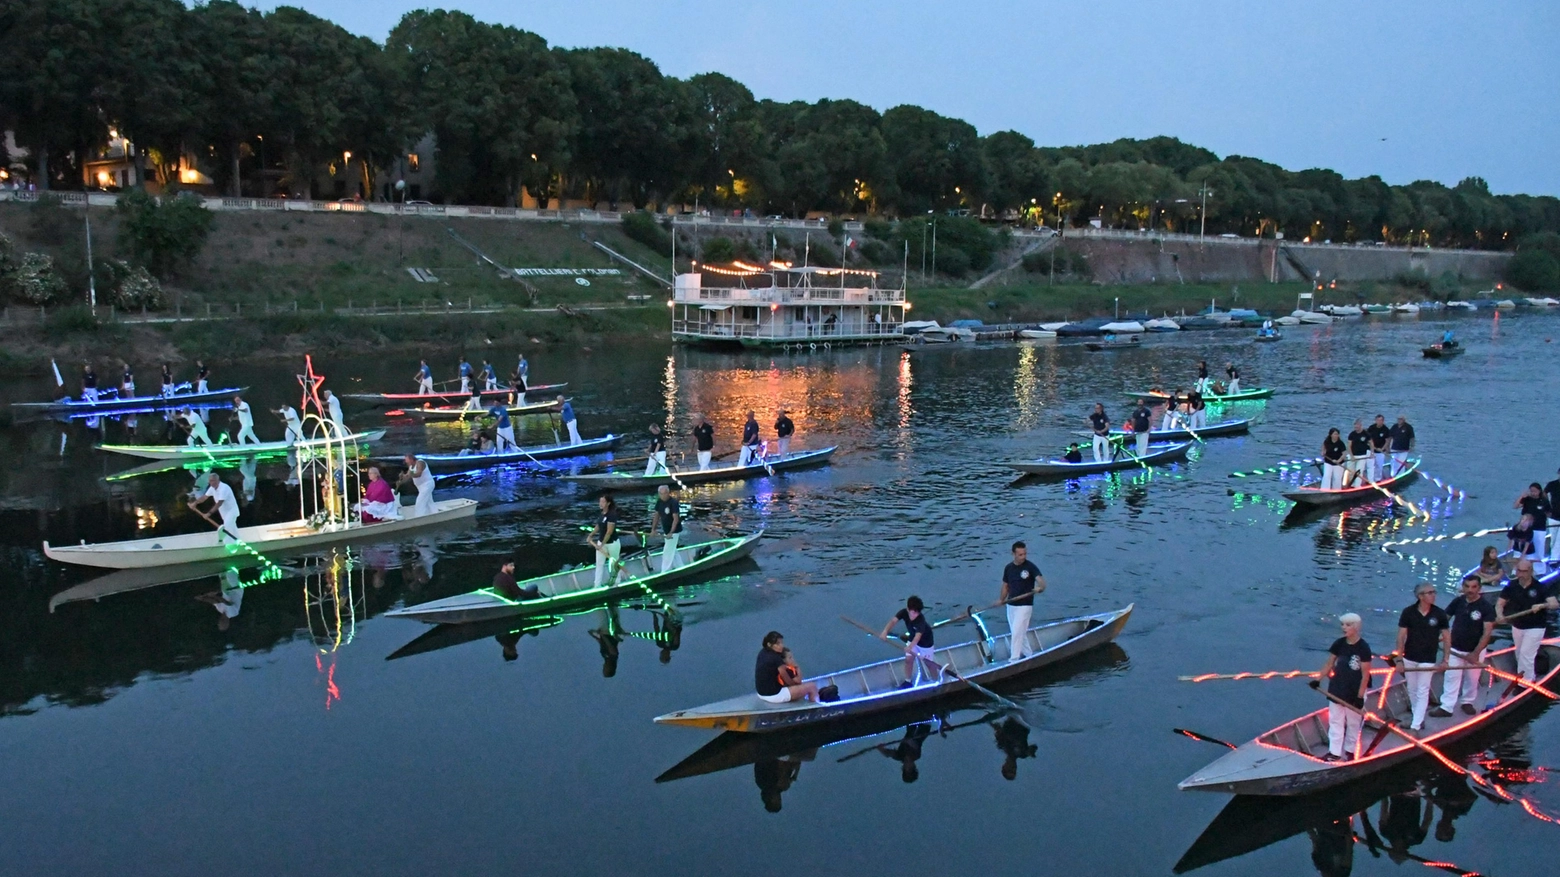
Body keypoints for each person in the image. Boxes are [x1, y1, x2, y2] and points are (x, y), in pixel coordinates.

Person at [1313, 612, 1372, 761]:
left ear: (1356, 627)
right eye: (1343, 625)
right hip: (1338, 687)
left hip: (1355, 690)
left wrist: (1359, 697)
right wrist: (1318, 680)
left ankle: (1350, 750)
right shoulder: (1339, 643)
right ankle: (1334, 752)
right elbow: (1329, 663)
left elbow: (1365, 675)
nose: (1344, 628)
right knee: (1335, 721)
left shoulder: (1363, 647)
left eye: (1348, 625)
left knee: (1353, 723)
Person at [1393, 582, 1450, 731]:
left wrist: (1445, 659)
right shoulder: (1408, 612)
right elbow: (1401, 637)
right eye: (1430, 593)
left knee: (1423, 690)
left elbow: (1446, 637)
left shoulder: (1439, 614)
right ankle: (1418, 717)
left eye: (1434, 592)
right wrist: (1399, 659)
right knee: (1412, 689)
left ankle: (1416, 726)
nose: (1434, 595)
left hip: (1428, 659)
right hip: (1409, 657)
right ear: (1420, 596)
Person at [1436, 574, 1495, 717]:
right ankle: (1446, 707)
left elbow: (1487, 633)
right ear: (1463, 587)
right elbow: (1444, 620)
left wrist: (1475, 653)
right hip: (1455, 648)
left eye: (1474, 587)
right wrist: (1438, 636)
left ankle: (1467, 702)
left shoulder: (1486, 607)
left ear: (1479, 588)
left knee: (1472, 679)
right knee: (1451, 677)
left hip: (1475, 651)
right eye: (1467, 587)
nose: (1470, 590)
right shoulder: (1458, 602)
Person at [1497, 559, 1559, 682]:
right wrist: (1500, 615)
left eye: (1524, 571)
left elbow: (1554, 604)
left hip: (1536, 626)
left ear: (1530, 571)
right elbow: (1500, 603)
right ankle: (1525, 677)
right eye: (1519, 571)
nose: (1521, 574)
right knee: (1519, 654)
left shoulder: (1540, 587)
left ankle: (1526, 682)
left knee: (1526, 655)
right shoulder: (1512, 585)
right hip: (1517, 625)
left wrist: (1542, 606)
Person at [999, 541, 1046, 663]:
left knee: (1016, 632)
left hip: (1025, 606)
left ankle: (1014, 659)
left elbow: (1041, 582)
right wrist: (1001, 600)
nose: (1023, 557)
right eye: (1020, 554)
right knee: (1020, 632)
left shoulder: (1030, 567)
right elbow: (1005, 585)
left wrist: (1040, 588)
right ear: (1013, 554)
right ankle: (1029, 655)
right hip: (1011, 605)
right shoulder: (1008, 568)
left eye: (1024, 554)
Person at [882, 595, 939, 687]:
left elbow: (918, 637)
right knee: (908, 660)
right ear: (908, 609)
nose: (915, 615)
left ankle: (936, 681)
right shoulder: (903, 612)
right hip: (912, 639)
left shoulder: (920, 621)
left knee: (929, 663)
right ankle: (908, 681)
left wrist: (910, 647)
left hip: (926, 643)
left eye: (917, 613)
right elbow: (893, 621)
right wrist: (885, 632)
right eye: (913, 612)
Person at [755, 631, 820, 705]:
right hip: (774, 695)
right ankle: (817, 708)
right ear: (769, 644)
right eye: (778, 644)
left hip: (761, 693)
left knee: (799, 688)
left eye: (781, 643)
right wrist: (794, 684)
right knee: (812, 687)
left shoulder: (762, 652)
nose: (781, 646)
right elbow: (784, 674)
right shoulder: (776, 658)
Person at [188, 472, 240, 540]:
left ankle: (228, 543)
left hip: (232, 511)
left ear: (218, 480)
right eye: (210, 481)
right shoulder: (212, 488)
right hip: (224, 513)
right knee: (233, 527)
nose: (211, 483)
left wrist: (208, 513)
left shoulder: (224, 488)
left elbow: (219, 503)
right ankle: (238, 540)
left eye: (213, 480)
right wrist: (195, 503)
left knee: (227, 526)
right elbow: (205, 497)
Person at [588, 494, 621, 587]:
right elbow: (598, 526)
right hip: (601, 542)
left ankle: (616, 582)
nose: (600, 504)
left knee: (614, 563)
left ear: (608, 503)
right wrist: (590, 535)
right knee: (599, 564)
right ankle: (597, 585)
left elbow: (609, 532)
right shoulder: (602, 514)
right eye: (600, 501)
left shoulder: (612, 515)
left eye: (603, 502)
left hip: (612, 543)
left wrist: (601, 545)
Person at [1513, 482, 1551, 560]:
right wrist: (1521, 496)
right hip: (1526, 529)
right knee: (1526, 549)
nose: (1533, 493)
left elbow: (1549, 513)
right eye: (1531, 491)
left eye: (1535, 491)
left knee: (1539, 549)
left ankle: (1539, 569)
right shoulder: (1527, 499)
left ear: (1539, 491)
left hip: (1539, 528)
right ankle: (1524, 565)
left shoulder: (1544, 501)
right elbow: (1515, 506)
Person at [652, 484, 683, 573]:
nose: (663, 495)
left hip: (674, 531)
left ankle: (664, 571)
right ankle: (680, 566)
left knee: (667, 552)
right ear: (659, 494)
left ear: (668, 493)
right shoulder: (659, 502)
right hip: (666, 529)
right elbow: (656, 516)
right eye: (661, 494)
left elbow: (676, 518)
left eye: (665, 493)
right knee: (673, 549)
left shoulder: (673, 502)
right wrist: (653, 529)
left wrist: (671, 532)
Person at [1344, 419, 1370, 487]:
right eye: (1355, 426)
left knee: (1359, 471)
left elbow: (1371, 443)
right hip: (1352, 455)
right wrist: (1352, 456)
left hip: (1362, 456)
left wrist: (1372, 453)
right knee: (1350, 471)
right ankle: (1352, 484)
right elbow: (1349, 446)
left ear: (1360, 425)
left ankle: (1357, 486)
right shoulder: (1351, 434)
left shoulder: (1366, 434)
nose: (1356, 427)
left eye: (1357, 426)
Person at [1366, 415, 1391, 482]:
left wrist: (1382, 449)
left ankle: (1377, 480)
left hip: (1380, 452)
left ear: (1383, 421)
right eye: (1378, 420)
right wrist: (1373, 447)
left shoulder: (1386, 429)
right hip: (1371, 450)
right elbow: (1368, 439)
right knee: (1370, 466)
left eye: (1381, 420)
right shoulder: (1371, 428)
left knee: (1379, 466)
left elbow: (1387, 441)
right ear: (1375, 420)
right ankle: (1370, 480)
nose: (1379, 422)